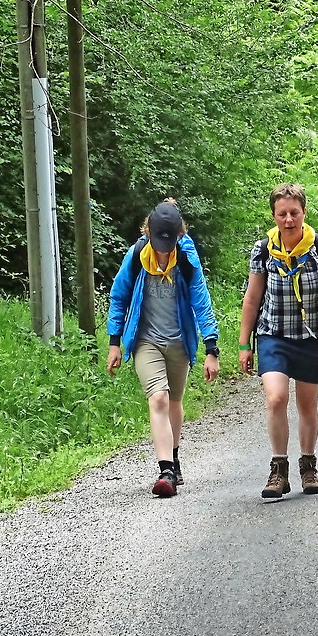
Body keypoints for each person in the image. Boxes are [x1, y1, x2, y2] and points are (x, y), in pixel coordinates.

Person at [106, 202, 220, 498]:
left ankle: (174, 455)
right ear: (148, 232)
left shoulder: (185, 257)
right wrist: (114, 342)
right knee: (158, 398)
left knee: (175, 402)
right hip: (146, 340)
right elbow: (119, 297)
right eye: (158, 242)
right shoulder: (137, 255)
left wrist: (212, 348)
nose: (163, 250)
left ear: (178, 235)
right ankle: (166, 471)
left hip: (179, 340)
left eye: (167, 244)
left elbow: (201, 301)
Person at [239, 184, 318, 499]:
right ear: (273, 216)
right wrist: (244, 343)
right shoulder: (263, 250)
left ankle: (308, 465)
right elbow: (253, 297)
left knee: (307, 405)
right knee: (275, 398)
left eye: (294, 213)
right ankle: (278, 469)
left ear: (304, 212)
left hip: (313, 336)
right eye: (282, 214)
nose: (288, 220)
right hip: (273, 334)